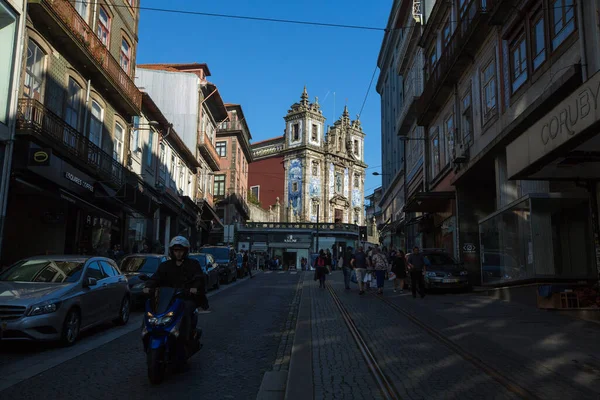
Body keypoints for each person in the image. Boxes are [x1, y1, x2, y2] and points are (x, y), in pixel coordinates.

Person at [145, 236, 209, 341]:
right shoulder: (165, 265)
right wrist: (148, 286)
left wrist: (194, 288)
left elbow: (199, 278)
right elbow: (156, 277)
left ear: (186, 251)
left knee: (186, 311)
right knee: (152, 310)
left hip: (186, 297)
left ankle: (186, 337)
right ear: (172, 251)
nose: (178, 253)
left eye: (181, 251)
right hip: (167, 298)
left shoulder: (193, 264)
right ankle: (148, 332)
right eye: (176, 251)